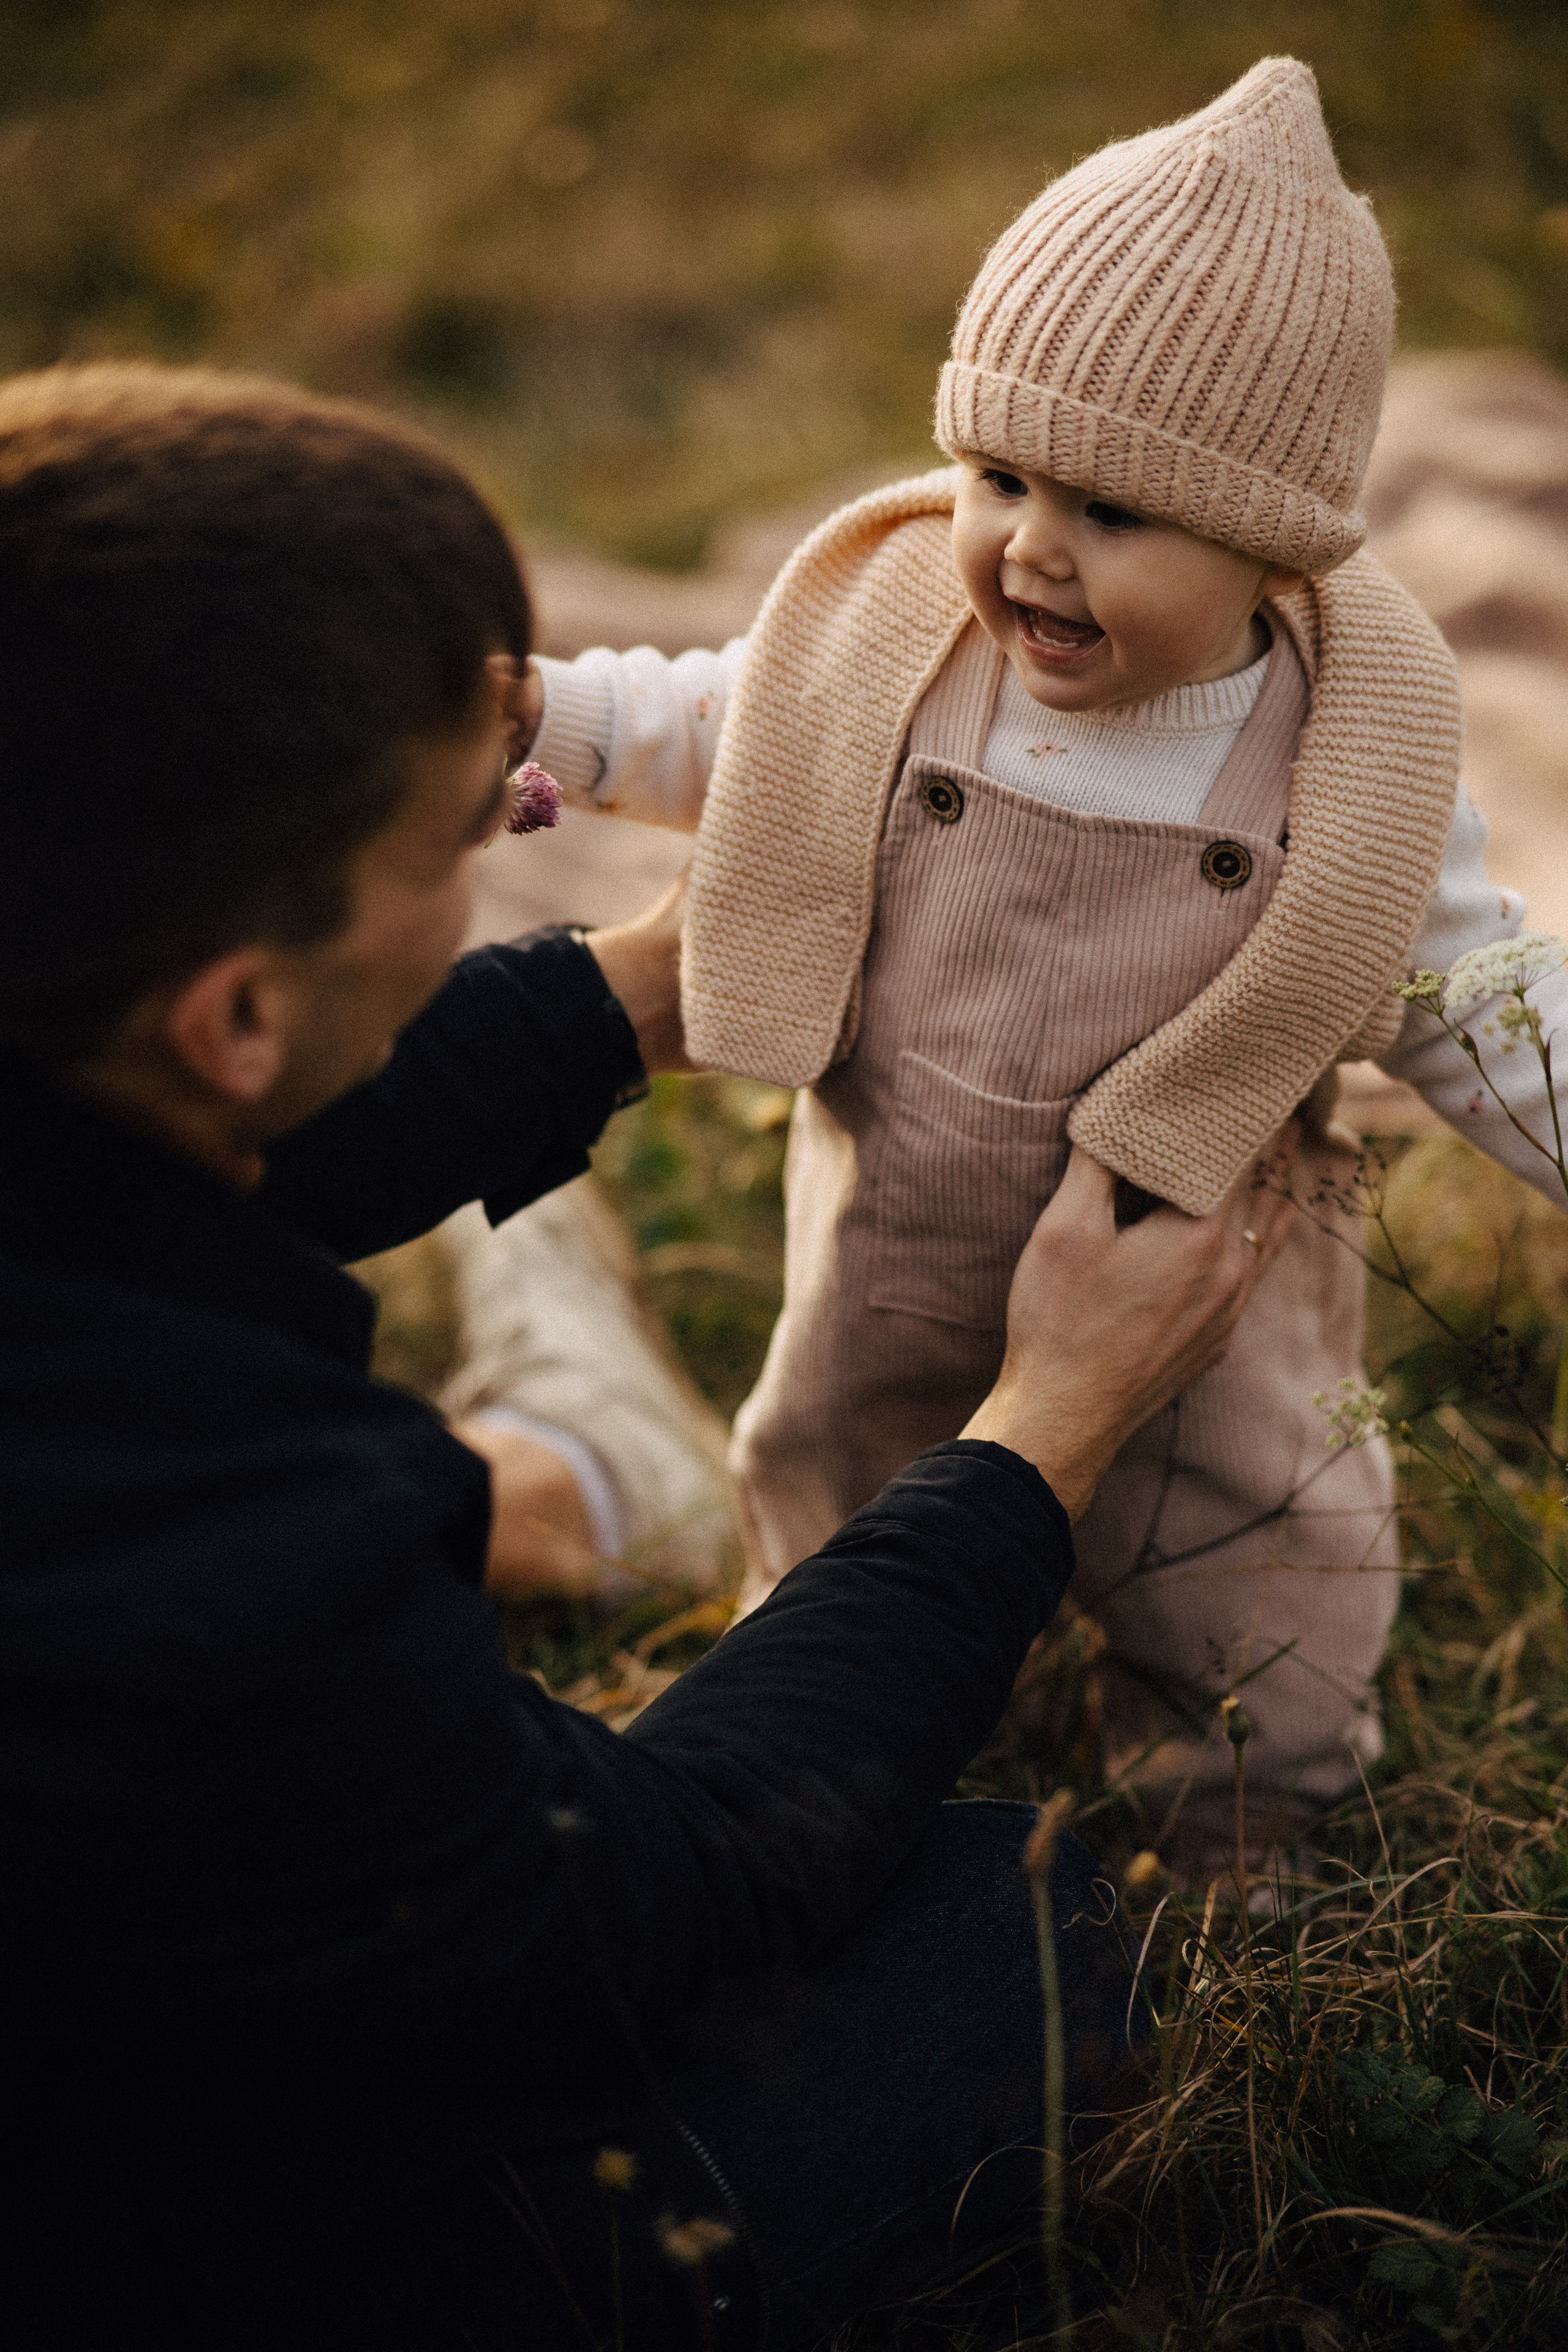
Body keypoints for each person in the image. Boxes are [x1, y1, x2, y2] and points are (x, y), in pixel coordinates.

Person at [1, 360, 1294, 2350]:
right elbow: (645, 1902)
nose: (495, 861)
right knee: (1011, 1930)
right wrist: (1042, 1432)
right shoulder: (236, 1560)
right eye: (457, 843)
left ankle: (574, 1467)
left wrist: (649, 985)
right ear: (236, 1016)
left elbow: (122, 1168)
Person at [513, 55, 1568, 1854]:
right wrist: (541, 716)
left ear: (1274, 550)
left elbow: (1491, 1006)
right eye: (999, 476)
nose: (1032, 553)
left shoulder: (1345, 771)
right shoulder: (900, 655)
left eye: (1116, 513)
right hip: (893, 1254)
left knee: (1252, 1577)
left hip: (1187, 1304)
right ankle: (851, 1744)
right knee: (841, 1513)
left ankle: (1241, 1831)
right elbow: (708, 722)